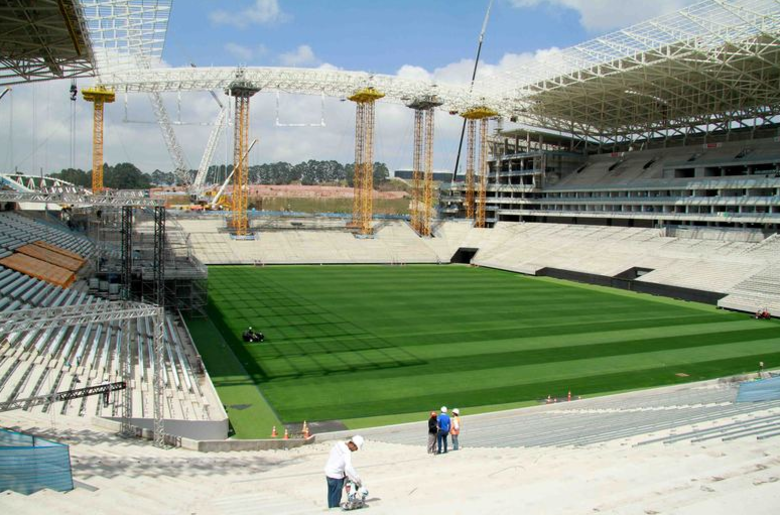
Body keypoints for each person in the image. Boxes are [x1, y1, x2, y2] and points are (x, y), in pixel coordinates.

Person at [324, 435, 364, 509]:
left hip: (329, 473)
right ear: (353, 445)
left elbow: (337, 459)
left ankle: (331, 508)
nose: (355, 450)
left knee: (331, 494)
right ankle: (333, 510)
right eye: (356, 448)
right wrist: (357, 479)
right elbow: (348, 468)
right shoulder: (347, 453)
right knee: (336, 498)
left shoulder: (339, 444)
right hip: (336, 477)